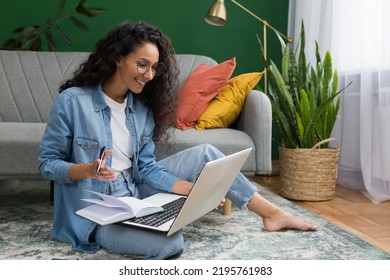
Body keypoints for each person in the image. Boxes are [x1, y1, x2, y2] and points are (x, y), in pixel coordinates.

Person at [38, 21, 317, 260]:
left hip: (135, 193)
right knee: (170, 243)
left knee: (206, 152)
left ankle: (271, 213)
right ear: (118, 58)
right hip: (96, 210)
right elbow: (47, 164)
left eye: (153, 67)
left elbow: (146, 169)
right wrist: (83, 170)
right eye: (142, 64)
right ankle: (151, 223)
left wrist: (189, 189)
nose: (148, 75)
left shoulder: (142, 110)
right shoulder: (73, 102)